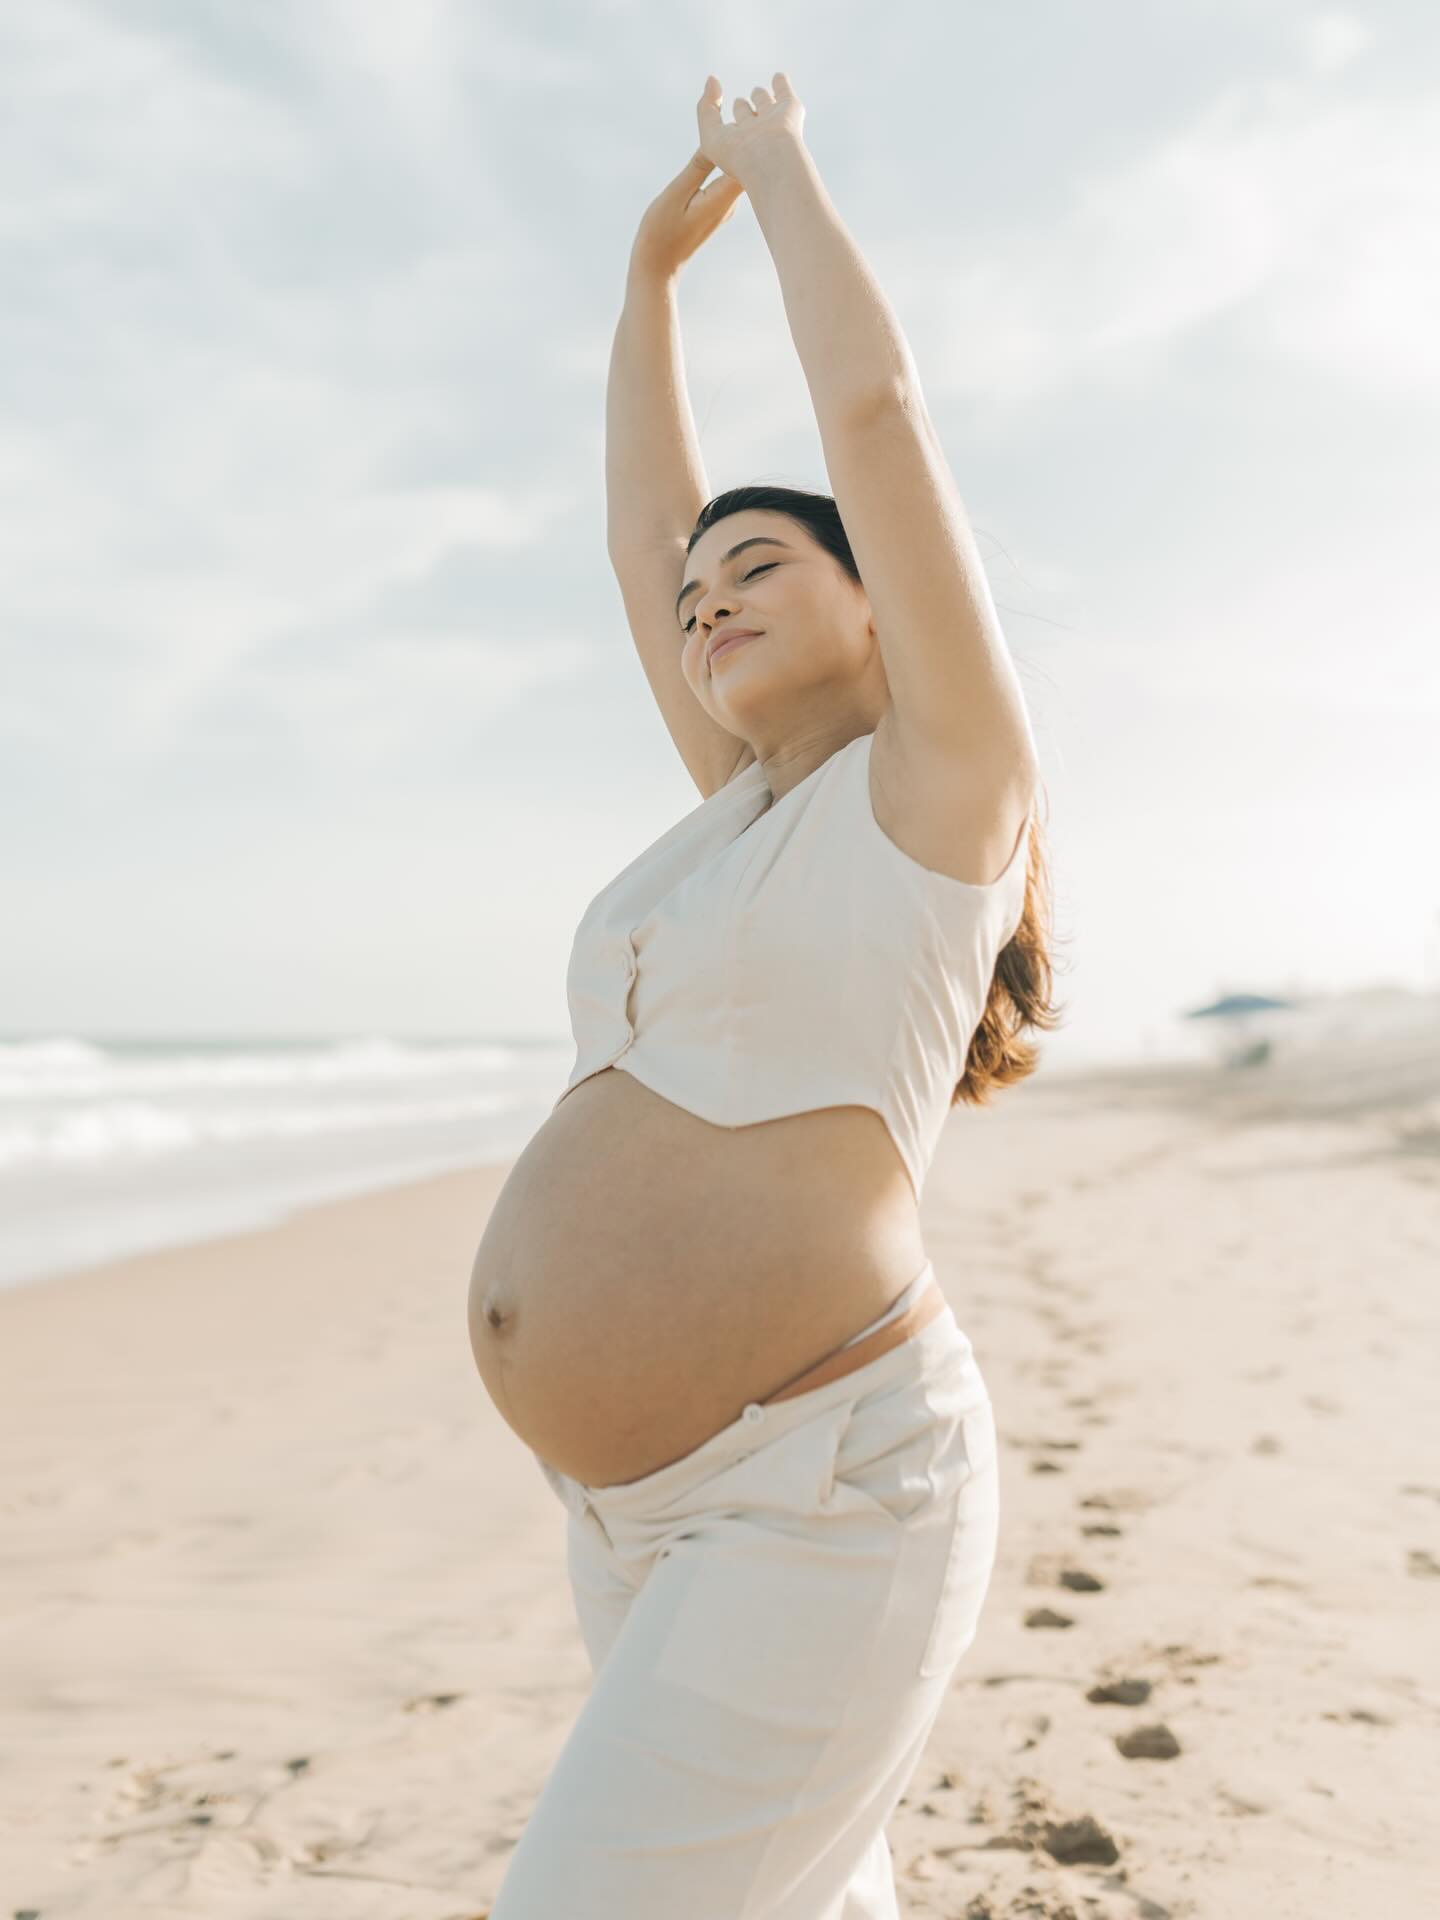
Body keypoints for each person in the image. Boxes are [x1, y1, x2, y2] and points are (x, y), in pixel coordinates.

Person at [481, 73, 1063, 1918]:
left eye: (760, 568)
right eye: (696, 598)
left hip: (823, 1493)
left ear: (881, 600)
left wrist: (780, 169)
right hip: (634, 1515)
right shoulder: (734, 814)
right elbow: (634, 534)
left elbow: (877, 416)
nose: (707, 600)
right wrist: (645, 287)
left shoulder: (939, 793)